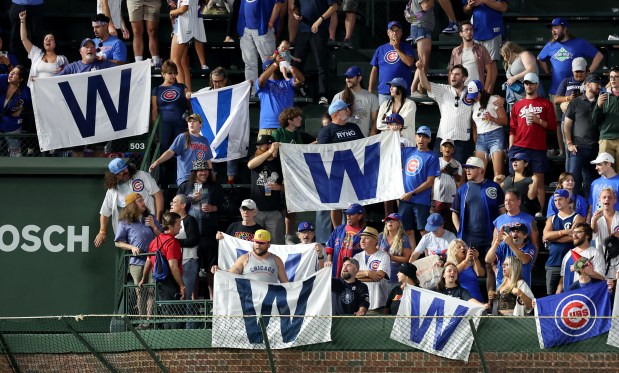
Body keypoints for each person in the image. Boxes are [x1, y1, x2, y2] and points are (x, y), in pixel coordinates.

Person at [538, 17, 603, 131]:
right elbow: (540, 58)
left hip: (578, 89)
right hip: (556, 91)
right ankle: (563, 149)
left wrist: (589, 72)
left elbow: (599, 56)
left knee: (580, 119)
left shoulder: (579, 43)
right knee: (559, 123)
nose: (553, 30)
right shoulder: (550, 45)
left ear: (565, 29)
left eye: (556, 27)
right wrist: (547, 71)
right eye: (552, 28)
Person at [508, 72, 557, 215]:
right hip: (519, 145)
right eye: (526, 83)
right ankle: (516, 210)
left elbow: (553, 126)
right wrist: (511, 146)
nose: (528, 86)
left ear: (537, 84)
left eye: (531, 83)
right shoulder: (517, 105)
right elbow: (512, 128)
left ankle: (539, 212)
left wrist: (538, 121)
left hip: (537, 147)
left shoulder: (546, 103)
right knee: (515, 181)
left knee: (539, 181)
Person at [177, 160, 224, 298]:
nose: (204, 173)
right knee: (192, 271)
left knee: (212, 270)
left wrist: (214, 208)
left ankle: (213, 304)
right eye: (200, 170)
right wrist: (190, 199)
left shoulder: (214, 187)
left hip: (209, 235)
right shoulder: (185, 187)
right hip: (190, 236)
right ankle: (193, 305)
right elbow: (174, 207)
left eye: (206, 170)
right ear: (194, 172)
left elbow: (228, 206)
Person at [114, 192, 162, 328]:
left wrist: (153, 226)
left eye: (143, 200)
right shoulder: (124, 222)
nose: (143, 203)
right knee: (140, 291)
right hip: (136, 262)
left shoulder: (151, 217)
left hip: (152, 260)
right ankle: (142, 320)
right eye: (140, 201)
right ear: (132, 205)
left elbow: (162, 237)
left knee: (152, 290)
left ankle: (149, 320)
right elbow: (118, 242)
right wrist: (131, 247)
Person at [317, 100, 364, 230]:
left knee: (357, 204)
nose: (349, 111)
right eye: (346, 109)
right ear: (337, 113)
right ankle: (338, 232)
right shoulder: (326, 131)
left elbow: (364, 147)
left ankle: (357, 231)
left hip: (355, 172)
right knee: (336, 204)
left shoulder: (354, 127)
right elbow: (322, 154)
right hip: (336, 173)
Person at [95, 158, 163, 247]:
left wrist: (158, 219)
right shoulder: (112, 189)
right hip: (129, 230)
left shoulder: (141, 175)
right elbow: (105, 212)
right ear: (114, 175)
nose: (124, 172)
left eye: (125, 169)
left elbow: (158, 195)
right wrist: (102, 231)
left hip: (148, 224)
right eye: (120, 172)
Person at [417, 61, 473, 163]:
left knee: (459, 173)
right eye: (452, 74)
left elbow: (485, 99)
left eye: (457, 74)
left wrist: (497, 98)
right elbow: (425, 84)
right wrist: (421, 70)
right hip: (443, 137)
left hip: (462, 139)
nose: (453, 76)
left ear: (464, 78)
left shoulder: (472, 92)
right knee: (437, 171)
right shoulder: (443, 89)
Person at [139, 212, 186, 329]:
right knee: (175, 313)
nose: (180, 227)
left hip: (159, 282)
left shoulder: (154, 241)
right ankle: (175, 343)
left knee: (165, 312)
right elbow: (173, 266)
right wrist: (181, 285)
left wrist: (143, 279)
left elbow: (149, 261)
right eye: (178, 224)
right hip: (171, 282)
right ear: (170, 226)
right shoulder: (172, 242)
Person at [452, 156, 505, 256]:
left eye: (471, 167)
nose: (467, 170)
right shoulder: (462, 189)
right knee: (471, 266)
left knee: (490, 266)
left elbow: (502, 211)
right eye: (466, 168)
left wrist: (500, 231)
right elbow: (454, 212)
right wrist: (460, 231)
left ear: (481, 169)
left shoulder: (494, 187)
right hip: (469, 238)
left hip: (490, 236)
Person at [290, 0, 338, 105]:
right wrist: (296, 13)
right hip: (303, 29)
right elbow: (296, 6)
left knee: (321, 63)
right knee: (296, 63)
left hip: (319, 30)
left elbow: (334, 6)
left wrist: (320, 19)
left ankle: (323, 95)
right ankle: (297, 91)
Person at [151, 60, 189, 188]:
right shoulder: (156, 90)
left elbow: (190, 107)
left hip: (181, 124)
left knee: (183, 152)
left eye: (174, 73)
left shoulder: (182, 87)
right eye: (169, 73)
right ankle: (163, 182)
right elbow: (154, 110)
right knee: (165, 152)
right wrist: (155, 130)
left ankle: (183, 180)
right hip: (165, 126)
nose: (172, 76)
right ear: (163, 74)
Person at [399, 126, 440, 246]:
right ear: (416, 137)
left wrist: (412, 193)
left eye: (425, 137)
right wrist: (395, 131)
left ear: (429, 140)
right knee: (407, 231)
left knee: (424, 231)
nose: (421, 139)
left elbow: (430, 181)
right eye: (419, 136)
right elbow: (390, 150)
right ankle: (412, 260)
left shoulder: (432, 157)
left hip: (420, 200)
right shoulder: (407, 151)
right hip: (405, 199)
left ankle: (429, 258)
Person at [149, 113, 214, 187]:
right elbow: (170, 152)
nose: (191, 123)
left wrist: (211, 175)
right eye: (189, 121)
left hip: (201, 179)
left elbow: (208, 160)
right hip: (186, 178)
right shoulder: (182, 137)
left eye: (194, 121)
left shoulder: (204, 140)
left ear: (200, 124)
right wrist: (157, 162)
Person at [564, 74, 602, 196]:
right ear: (587, 85)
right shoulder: (575, 102)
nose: (599, 86)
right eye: (596, 83)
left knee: (592, 183)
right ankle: (572, 209)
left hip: (596, 148)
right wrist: (569, 143)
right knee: (573, 180)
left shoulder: (602, 102)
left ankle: (590, 211)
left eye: (600, 84)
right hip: (578, 147)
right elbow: (567, 125)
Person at [543, 189, 585, 295]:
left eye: (560, 199)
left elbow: (575, 237)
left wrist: (554, 237)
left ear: (567, 199)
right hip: (553, 263)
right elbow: (546, 235)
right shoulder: (552, 218)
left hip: (572, 263)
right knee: (551, 296)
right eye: (555, 200)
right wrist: (565, 232)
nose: (557, 202)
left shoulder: (577, 218)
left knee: (570, 295)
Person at [462, 0, 508, 94]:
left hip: (492, 31)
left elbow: (503, 7)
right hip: (476, 31)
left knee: (491, 64)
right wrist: (469, 6)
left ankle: (486, 95)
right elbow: (465, 10)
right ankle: (475, 93)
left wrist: (483, 1)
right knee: (475, 64)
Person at [247, 134, 285, 244]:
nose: (258, 148)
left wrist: (278, 187)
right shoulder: (257, 159)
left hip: (274, 210)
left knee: (275, 243)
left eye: (261, 145)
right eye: (257, 145)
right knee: (256, 243)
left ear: (269, 145)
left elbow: (289, 187)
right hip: (256, 210)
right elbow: (250, 165)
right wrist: (268, 152)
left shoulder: (279, 162)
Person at [368, 21, 416, 105]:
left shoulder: (407, 47)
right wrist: (370, 89)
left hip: (402, 91)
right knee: (385, 117)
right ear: (388, 33)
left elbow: (410, 63)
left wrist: (397, 49)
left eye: (397, 30)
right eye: (392, 31)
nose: (394, 33)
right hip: (385, 92)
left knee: (402, 117)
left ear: (401, 33)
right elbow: (374, 71)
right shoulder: (380, 49)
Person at [467, 79, 507, 177]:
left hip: (495, 135)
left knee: (498, 174)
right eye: (472, 95)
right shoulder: (474, 105)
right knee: (478, 173)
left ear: (481, 90)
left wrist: (492, 119)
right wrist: (476, 141)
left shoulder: (494, 100)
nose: (474, 97)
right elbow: (474, 126)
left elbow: (505, 121)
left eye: (476, 94)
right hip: (480, 138)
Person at [18, 10, 68, 88]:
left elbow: (70, 76)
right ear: (43, 43)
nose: (48, 40)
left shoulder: (62, 59)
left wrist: (65, 70)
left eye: (51, 39)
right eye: (46, 39)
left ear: (55, 43)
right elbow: (24, 38)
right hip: (37, 91)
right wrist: (22, 20)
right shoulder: (36, 53)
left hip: (54, 92)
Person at [256, 56, 305, 136]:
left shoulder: (287, 82)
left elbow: (301, 79)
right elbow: (261, 80)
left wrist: (289, 66)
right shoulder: (264, 83)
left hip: (286, 126)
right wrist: (275, 63)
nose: (280, 66)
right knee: (266, 149)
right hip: (268, 127)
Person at [237, 0, 281, 87]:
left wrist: (271, 22)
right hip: (245, 30)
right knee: (249, 63)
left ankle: (271, 90)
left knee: (268, 63)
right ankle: (252, 91)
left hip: (263, 30)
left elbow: (278, 4)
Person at [486, 223, 536, 293]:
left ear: (525, 235)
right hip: (503, 287)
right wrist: (497, 242)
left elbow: (524, 260)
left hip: (521, 289)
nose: (514, 234)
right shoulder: (503, 245)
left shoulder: (530, 247)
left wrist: (511, 244)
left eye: (518, 232)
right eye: (513, 231)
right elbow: (488, 259)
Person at [169, 194, 200, 306]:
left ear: (183, 205)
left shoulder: (189, 220)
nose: (171, 204)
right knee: (178, 297)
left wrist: (174, 243)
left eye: (175, 202)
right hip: (175, 264)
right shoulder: (171, 222)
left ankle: (190, 324)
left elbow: (194, 240)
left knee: (186, 298)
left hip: (188, 262)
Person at [169, 0, 207, 92]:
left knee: (174, 61)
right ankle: (188, 92)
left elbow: (183, 9)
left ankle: (183, 93)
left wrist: (171, 12)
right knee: (182, 62)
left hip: (183, 24)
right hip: (187, 23)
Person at [556, 222, 605, 293]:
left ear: (587, 235)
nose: (574, 235)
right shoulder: (569, 253)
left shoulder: (595, 254)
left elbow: (602, 277)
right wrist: (559, 290)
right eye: (573, 232)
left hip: (584, 297)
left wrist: (588, 272)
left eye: (578, 232)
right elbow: (563, 276)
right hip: (568, 298)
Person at [224, 229, 289, 283]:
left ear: (269, 245)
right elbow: (229, 274)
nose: (258, 245)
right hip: (250, 297)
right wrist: (218, 271)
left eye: (261, 243)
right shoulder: (244, 258)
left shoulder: (277, 260)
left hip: (269, 297)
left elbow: (285, 284)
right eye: (256, 242)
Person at [332, 66, 379, 137]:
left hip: (363, 140)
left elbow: (375, 121)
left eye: (350, 77)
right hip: (343, 140)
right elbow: (333, 119)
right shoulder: (338, 96)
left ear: (359, 78)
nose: (347, 80)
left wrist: (371, 137)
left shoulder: (371, 97)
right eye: (346, 77)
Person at [352, 227, 391, 312]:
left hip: (377, 303)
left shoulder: (384, 256)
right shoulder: (357, 256)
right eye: (361, 238)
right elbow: (350, 275)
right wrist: (367, 273)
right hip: (359, 304)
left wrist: (357, 277)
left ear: (375, 241)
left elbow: (379, 276)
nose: (362, 241)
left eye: (366, 238)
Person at [448, 21, 493, 92]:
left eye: (471, 29)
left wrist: (485, 90)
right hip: (461, 89)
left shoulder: (482, 49)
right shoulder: (455, 51)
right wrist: (452, 90)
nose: (469, 32)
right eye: (466, 30)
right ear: (460, 33)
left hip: (477, 89)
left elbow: (489, 70)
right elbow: (451, 71)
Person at [325, 203, 365, 278]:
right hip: (336, 270)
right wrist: (329, 263)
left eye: (352, 214)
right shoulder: (339, 229)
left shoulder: (365, 232)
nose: (348, 217)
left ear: (359, 216)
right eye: (347, 214)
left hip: (354, 272)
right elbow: (330, 249)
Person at [592, 67, 619, 172]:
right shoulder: (603, 96)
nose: (613, 79)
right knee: (605, 171)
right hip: (606, 138)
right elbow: (595, 120)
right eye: (611, 77)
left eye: (616, 77)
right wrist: (598, 106)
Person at [432, 139, 462, 232]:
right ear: (441, 149)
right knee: (437, 222)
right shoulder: (436, 161)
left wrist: (452, 172)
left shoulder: (457, 163)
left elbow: (459, 179)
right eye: (445, 146)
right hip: (438, 197)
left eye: (450, 147)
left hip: (451, 198)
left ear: (453, 150)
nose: (447, 149)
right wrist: (443, 170)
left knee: (450, 223)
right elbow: (431, 176)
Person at [0, 66, 30, 157]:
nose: (11, 74)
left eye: (15, 73)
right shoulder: (2, 81)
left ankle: (16, 170)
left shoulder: (26, 92)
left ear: (21, 79)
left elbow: (33, 107)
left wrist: (22, 109)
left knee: (15, 154)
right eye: (11, 71)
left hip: (12, 125)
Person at [405, 0, 434, 94]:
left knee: (424, 63)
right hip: (421, 27)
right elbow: (425, 6)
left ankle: (420, 91)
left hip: (421, 27)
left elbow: (411, 17)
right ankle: (413, 89)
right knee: (423, 62)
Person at [499, 41, 539, 109]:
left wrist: (514, 78)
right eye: (503, 56)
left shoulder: (524, 54)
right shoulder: (509, 63)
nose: (505, 58)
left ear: (510, 51)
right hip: (515, 98)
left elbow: (531, 69)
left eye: (505, 55)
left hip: (529, 94)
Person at [378, 213, 412, 288]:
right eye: (388, 221)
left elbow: (407, 258)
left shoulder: (404, 238)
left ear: (399, 223)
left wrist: (391, 257)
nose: (389, 222)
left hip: (396, 276)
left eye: (393, 220)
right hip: (381, 275)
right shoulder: (381, 236)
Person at [126, 0, 162, 67]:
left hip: (153, 1)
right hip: (135, 1)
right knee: (137, 31)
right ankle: (138, 63)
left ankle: (156, 61)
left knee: (153, 31)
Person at [588, 152, 619, 221]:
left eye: (599, 164)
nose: (596, 168)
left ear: (608, 164)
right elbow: (591, 205)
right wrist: (588, 221)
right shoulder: (594, 183)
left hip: (615, 225)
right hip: (597, 224)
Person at [591, 188, 619, 254]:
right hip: (601, 254)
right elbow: (593, 236)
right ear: (599, 200)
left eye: (610, 197)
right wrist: (594, 221)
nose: (607, 199)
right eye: (604, 197)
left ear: (615, 200)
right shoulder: (595, 218)